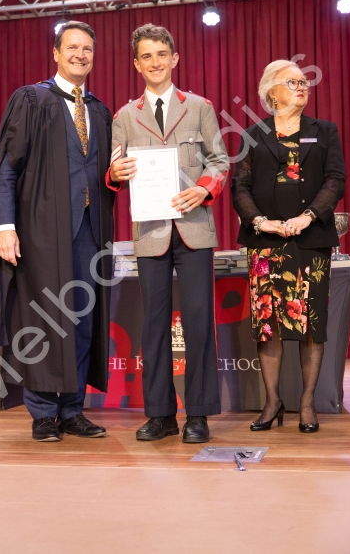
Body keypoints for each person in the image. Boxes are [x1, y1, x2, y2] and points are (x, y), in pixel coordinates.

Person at [0, 21, 115, 442]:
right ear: (56, 53)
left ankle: (72, 410)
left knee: (82, 320)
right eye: (71, 47)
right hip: (40, 232)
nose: (80, 54)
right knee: (42, 319)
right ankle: (41, 412)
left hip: (91, 232)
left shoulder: (99, 111)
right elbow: (6, 170)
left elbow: (103, 173)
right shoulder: (32, 99)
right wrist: (5, 226)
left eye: (87, 48)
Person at [106, 24, 229, 443]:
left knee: (198, 322)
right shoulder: (124, 117)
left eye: (162, 54)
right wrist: (115, 172)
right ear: (136, 64)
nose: (155, 62)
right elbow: (113, 172)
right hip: (151, 232)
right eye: (147, 56)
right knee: (154, 324)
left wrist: (204, 189)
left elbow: (219, 161)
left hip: (194, 229)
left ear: (174, 59)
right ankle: (159, 415)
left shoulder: (199, 107)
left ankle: (198, 414)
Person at [231, 59, 345, 433]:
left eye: (304, 82)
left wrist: (308, 216)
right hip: (266, 243)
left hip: (311, 240)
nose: (302, 87)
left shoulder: (324, 130)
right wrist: (260, 221)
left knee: (311, 324)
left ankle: (307, 404)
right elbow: (240, 187)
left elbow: (335, 180)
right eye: (293, 82)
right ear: (271, 91)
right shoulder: (253, 134)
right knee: (268, 325)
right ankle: (272, 402)